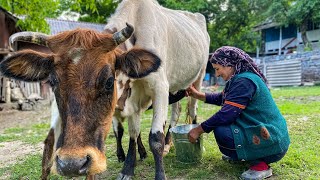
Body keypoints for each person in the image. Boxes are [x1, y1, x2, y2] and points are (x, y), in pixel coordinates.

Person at [186, 46, 290, 180]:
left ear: (229, 64)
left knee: (222, 131)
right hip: (273, 137)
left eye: (217, 69)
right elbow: (222, 98)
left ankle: (260, 166)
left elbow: (226, 114)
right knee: (224, 127)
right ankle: (244, 155)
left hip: (272, 143)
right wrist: (197, 95)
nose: (217, 74)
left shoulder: (243, 82)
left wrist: (198, 130)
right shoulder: (241, 78)